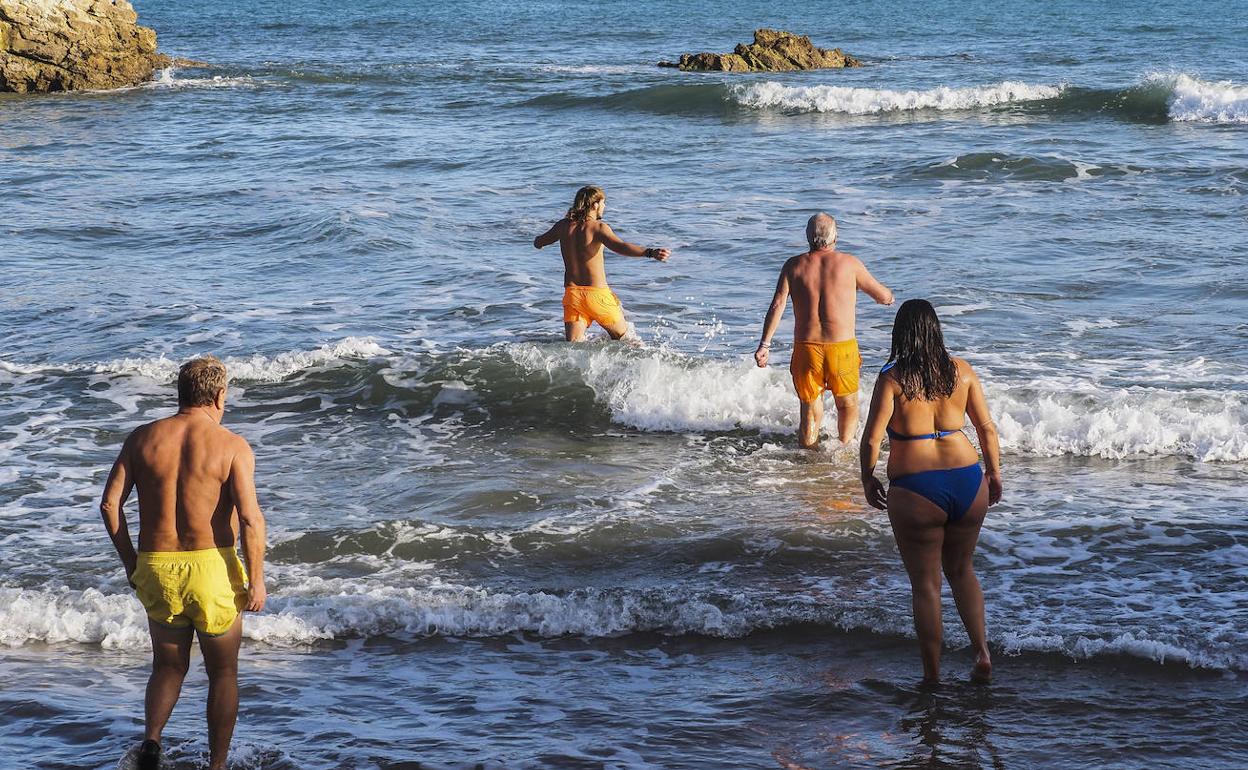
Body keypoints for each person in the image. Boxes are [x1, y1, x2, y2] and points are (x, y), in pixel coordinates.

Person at [100, 356, 267, 770]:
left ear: (180, 392)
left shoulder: (142, 439)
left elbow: (109, 506)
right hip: (212, 569)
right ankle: (218, 765)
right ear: (219, 395)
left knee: (168, 666)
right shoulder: (231, 445)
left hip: (156, 566)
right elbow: (249, 517)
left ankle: (152, 744)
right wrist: (258, 580)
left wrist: (131, 564)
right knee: (223, 673)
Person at [859, 299, 1002, 684]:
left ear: (901, 335)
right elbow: (987, 429)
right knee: (962, 570)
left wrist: (867, 477)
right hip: (968, 481)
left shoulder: (892, 379)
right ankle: (982, 653)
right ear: (937, 329)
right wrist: (995, 473)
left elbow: (872, 438)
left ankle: (932, 676)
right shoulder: (963, 372)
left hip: (916, 487)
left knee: (926, 584)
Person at [754, 213, 894, 447]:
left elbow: (777, 304)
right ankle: (844, 452)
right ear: (835, 236)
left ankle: (808, 457)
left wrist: (764, 345)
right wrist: (889, 297)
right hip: (842, 350)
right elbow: (882, 296)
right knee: (847, 405)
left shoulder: (793, 265)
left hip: (806, 350)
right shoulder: (850, 264)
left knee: (809, 409)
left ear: (808, 237)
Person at [534, 185, 671, 342]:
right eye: (604, 202)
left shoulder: (562, 226)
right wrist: (649, 252)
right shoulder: (598, 227)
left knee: (573, 347)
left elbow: (539, 242)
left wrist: (540, 241)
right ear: (595, 205)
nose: (604, 207)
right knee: (627, 341)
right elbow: (620, 246)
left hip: (573, 296)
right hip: (597, 296)